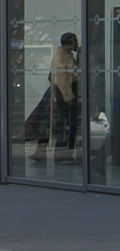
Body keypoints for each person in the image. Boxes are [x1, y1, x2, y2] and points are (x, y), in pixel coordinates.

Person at [50, 32, 80, 164]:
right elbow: (62, 80)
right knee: (66, 124)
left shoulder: (68, 55)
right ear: (68, 43)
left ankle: (66, 153)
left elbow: (75, 72)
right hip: (65, 95)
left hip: (68, 93)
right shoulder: (61, 57)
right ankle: (62, 154)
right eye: (75, 41)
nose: (77, 43)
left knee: (69, 125)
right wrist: (69, 97)